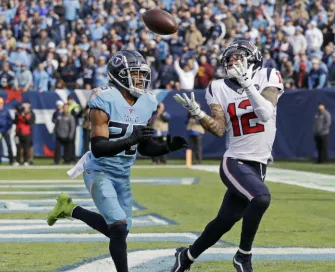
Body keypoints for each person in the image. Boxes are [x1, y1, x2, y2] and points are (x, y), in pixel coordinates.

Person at [46, 50, 188, 272]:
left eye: (142, 75)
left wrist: (167, 147)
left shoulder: (147, 102)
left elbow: (143, 146)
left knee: (119, 229)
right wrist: (130, 138)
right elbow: (98, 148)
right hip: (99, 170)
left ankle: (69, 209)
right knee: (119, 228)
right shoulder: (104, 99)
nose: (141, 80)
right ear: (120, 75)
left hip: (123, 173)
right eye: (135, 74)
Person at [172, 40, 284, 272]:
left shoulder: (268, 75)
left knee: (225, 221)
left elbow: (265, 113)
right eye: (229, 59)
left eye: (238, 57)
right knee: (261, 198)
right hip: (235, 161)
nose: (232, 62)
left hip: (258, 165)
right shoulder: (217, 87)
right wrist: (199, 114)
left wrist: (247, 84)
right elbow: (218, 128)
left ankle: (187, 256)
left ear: (252, 58)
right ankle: (243, 256)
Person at [0, 97, 13, 165]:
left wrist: (10, 128)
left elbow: (10, 120)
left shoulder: (6, 111)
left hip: (5, 130)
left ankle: (11, 160)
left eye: (0, 104)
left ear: (2, 104)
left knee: (9, 144)